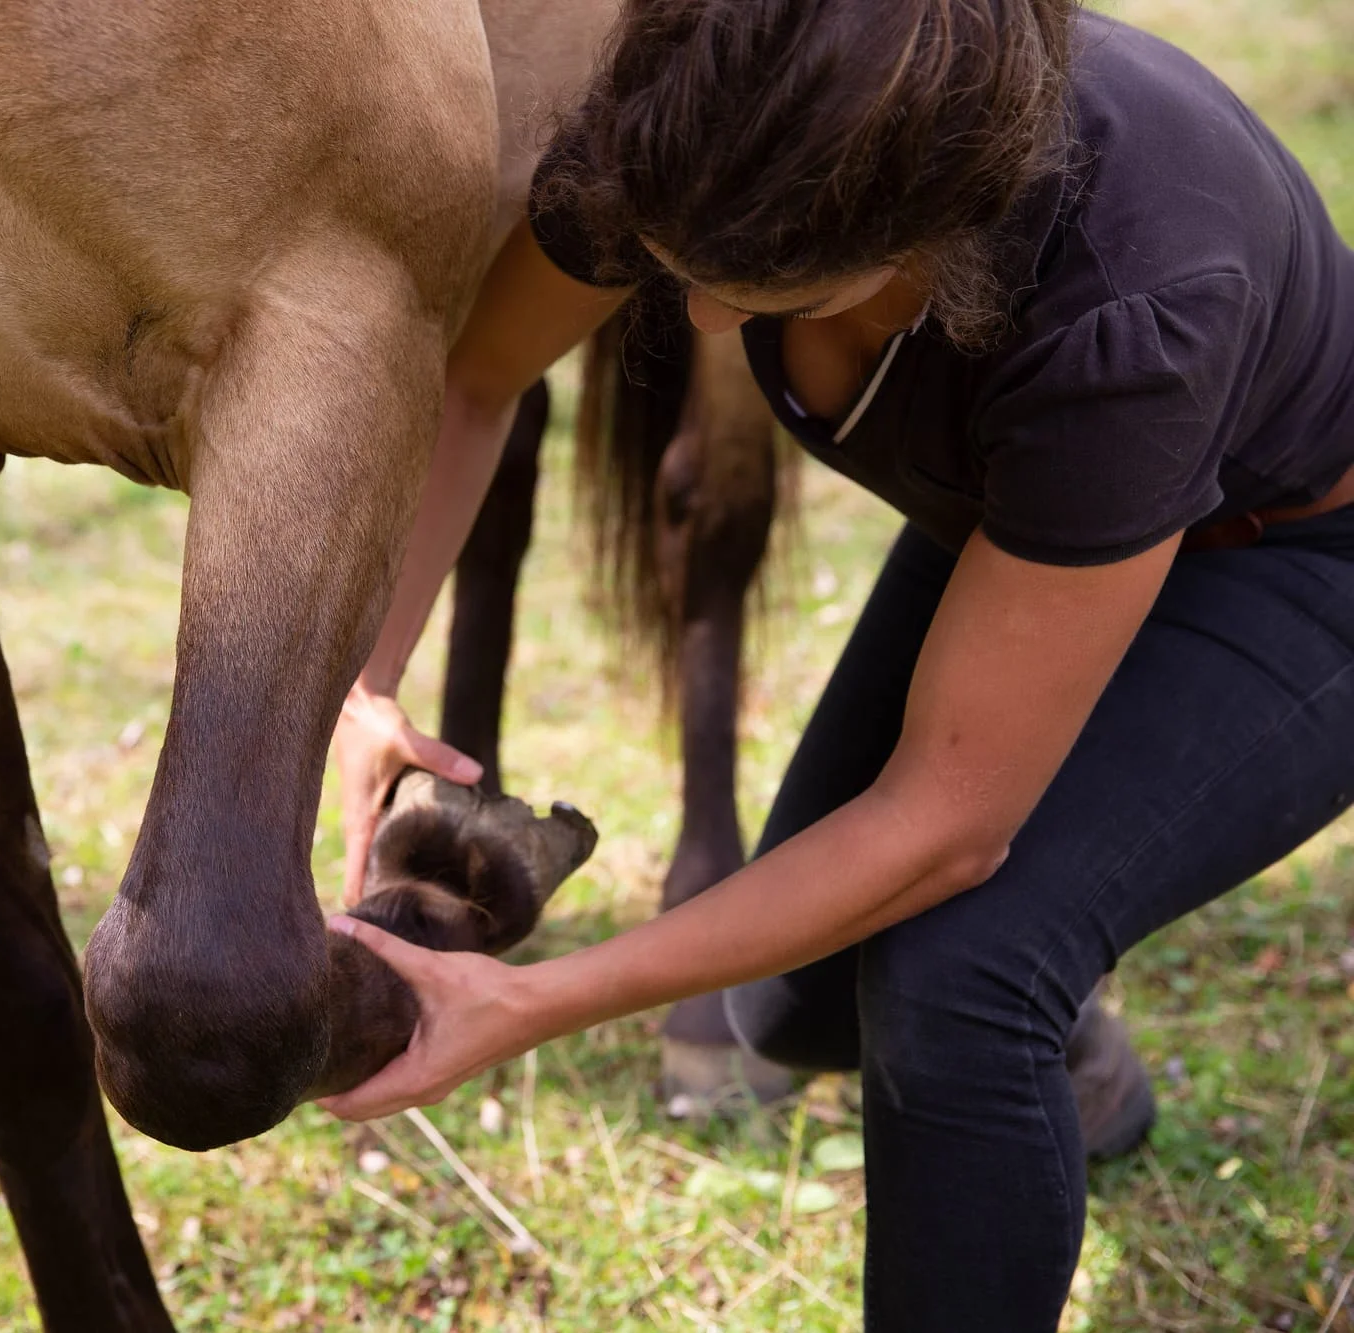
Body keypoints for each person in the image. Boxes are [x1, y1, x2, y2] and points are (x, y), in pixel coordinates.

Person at [320, 0, 1354, 1326]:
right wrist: (370, 678)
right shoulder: (698, 122)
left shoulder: (1124, 309)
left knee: (959, 975)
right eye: (671, 264)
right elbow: (481, 379)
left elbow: (942, 829)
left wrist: (531, 1000)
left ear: (914, 252)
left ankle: (1036, 1004)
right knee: (796, 1011)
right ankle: (1080, 1060)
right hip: (1030, 527)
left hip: (1295, 552)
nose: (692, 320)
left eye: (743, 291)